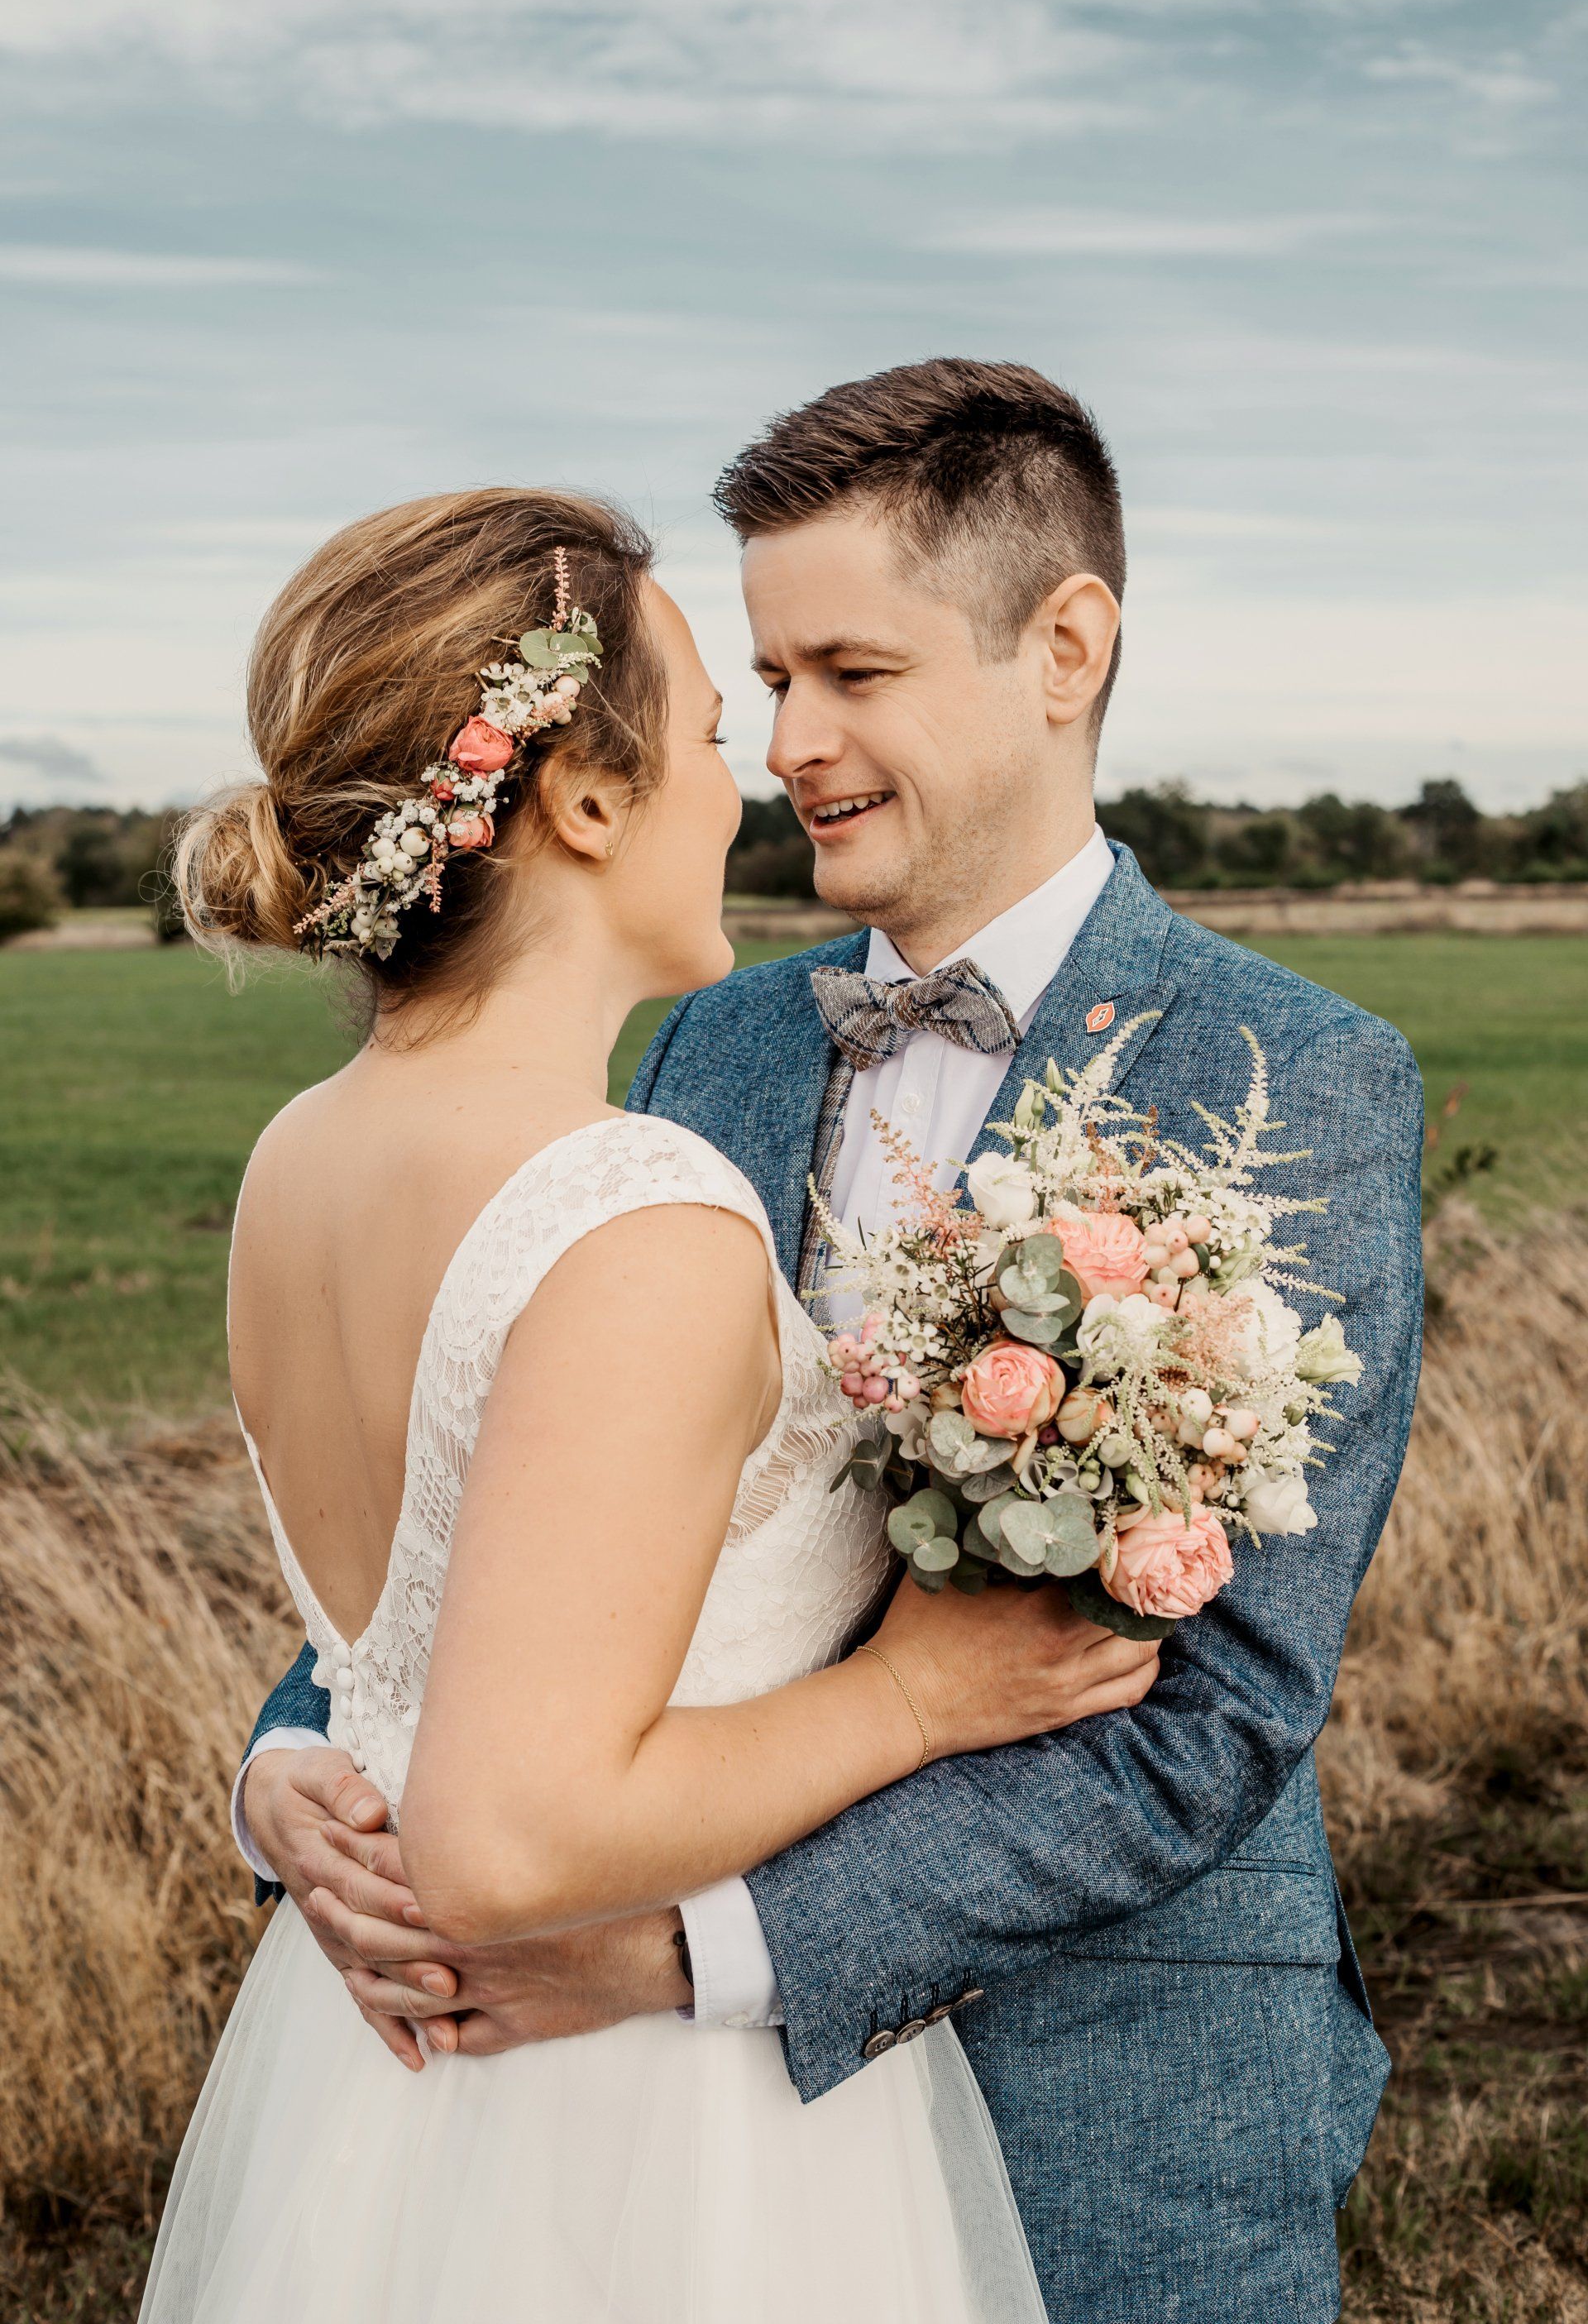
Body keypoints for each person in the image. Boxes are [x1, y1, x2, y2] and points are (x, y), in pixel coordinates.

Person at [237, 361, 1426, 2324]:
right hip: (645, 2136)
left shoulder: (1296, 1076)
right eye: (767, 679)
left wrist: (690, 1953)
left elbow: (1206, 1714)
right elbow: (515, 1482)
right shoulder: (716, 1038)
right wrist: (295, 1754)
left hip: (1098, 2084)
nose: (791, 740)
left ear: (1067, 645)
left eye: (849, 673)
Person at [141, 482, 1160, 2324]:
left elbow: (429, 1629)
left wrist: (294, 1773)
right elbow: (511, 1834)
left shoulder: (302, 1159)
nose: (746, 776)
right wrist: (920, 1691)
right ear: (587, 800)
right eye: (703, 727)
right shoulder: (637, 1209)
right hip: (647, 2122)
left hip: (373, 2062)